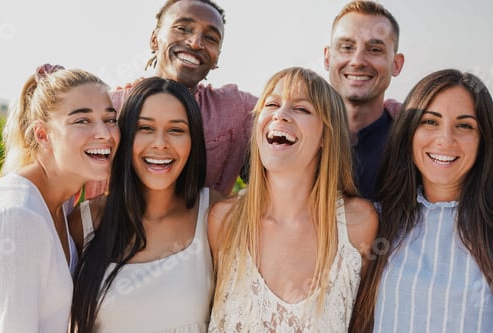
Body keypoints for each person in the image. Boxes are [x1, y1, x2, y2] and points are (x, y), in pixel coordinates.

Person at [208, 67, 378, 332]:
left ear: (326, 136)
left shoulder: (358, 224)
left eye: (301, 109)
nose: (280, 114)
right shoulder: (224, 221)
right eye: (272, 104)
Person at [70, 77, 221, 332]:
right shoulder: (83, 222)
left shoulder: (214, 215)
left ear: (193, 140)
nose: (160, 143)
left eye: (176, 130)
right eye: (145, 128)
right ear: (126, 136)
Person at [351, 69, 493, 332]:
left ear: (484, 140)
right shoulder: (376, 223)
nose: (445, 139)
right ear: (409, 132)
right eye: (430, 122)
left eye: (464, 125)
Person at [84, 0, 257, 199]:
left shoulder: (236, 111)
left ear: (217, 57)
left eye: (210, 38)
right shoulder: (110, 107)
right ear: (154, 39)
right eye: (182, 28)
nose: (195, 42)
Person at [0, 64, 119, 332]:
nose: (105, 134)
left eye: (110, 119)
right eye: (82, 120)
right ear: (42, 135)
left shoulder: (58, 208)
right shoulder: (19, 214)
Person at [324, 0, 405, 200]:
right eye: (346, 47)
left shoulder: (413, 143)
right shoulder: (295, 136)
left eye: (375, 50)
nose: (358, 61)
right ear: (327, 58)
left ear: (396, 64)